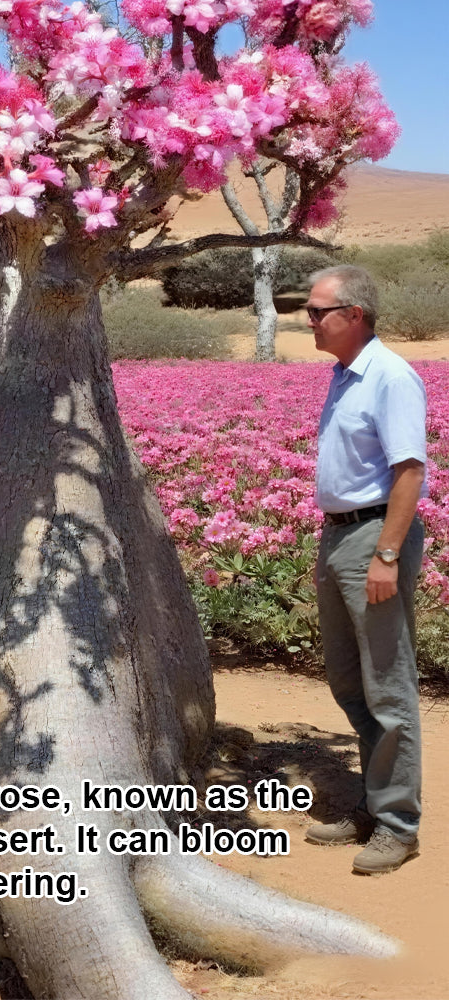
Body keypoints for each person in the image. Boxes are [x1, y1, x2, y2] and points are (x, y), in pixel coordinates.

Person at [304, 264, 427, 875]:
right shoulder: (343, 376)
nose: (309, 322)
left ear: (354, 315)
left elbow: (409, 471)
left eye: (317, 311)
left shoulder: (389, 377)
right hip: (340, 538)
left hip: (375, 538)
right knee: (349, 681)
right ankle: (375, 804)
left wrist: (385, 553)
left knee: (387, 685)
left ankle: (398, 824)